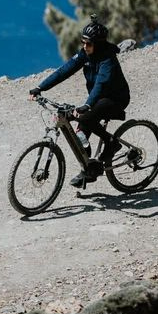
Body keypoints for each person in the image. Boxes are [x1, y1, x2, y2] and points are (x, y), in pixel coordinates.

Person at [29, 16, 131, 187]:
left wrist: (87, 105)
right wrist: (40, 88)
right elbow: (64, 71)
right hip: (96, 99)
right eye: (83, 42)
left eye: (89, 43)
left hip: (115, 99)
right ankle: (89, 170)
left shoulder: (107, 59)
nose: (84, 46)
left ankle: (112, 143)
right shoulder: (86, 54)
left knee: (85, 117)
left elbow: (100, 84)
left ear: (97, 44)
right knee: (81, 135)